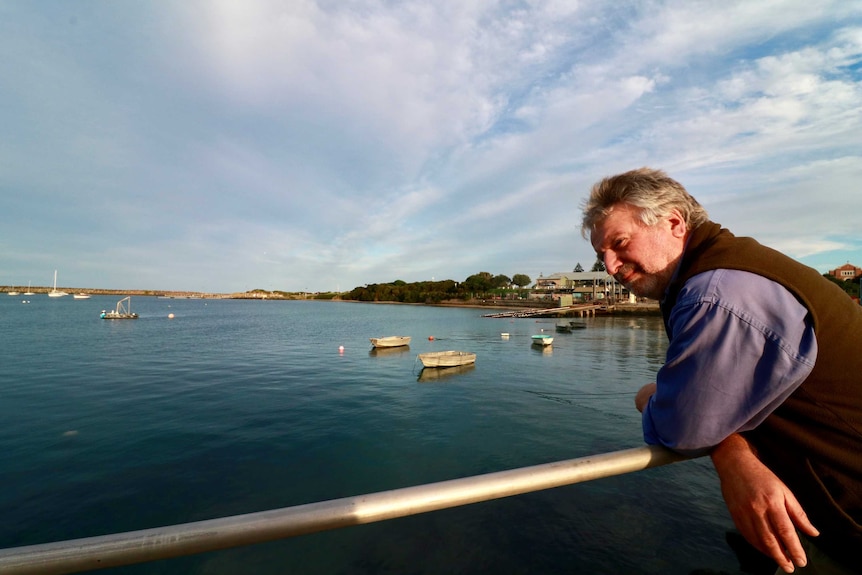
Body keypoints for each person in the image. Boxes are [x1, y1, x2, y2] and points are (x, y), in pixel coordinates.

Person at [580, 167, 862, 574]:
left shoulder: (714, 294)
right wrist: (734, 455)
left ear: (674, 222)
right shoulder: (721, 269)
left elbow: (685, 429)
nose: (609, 265)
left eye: (619, 243)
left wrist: (647, 398)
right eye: (601, 254)